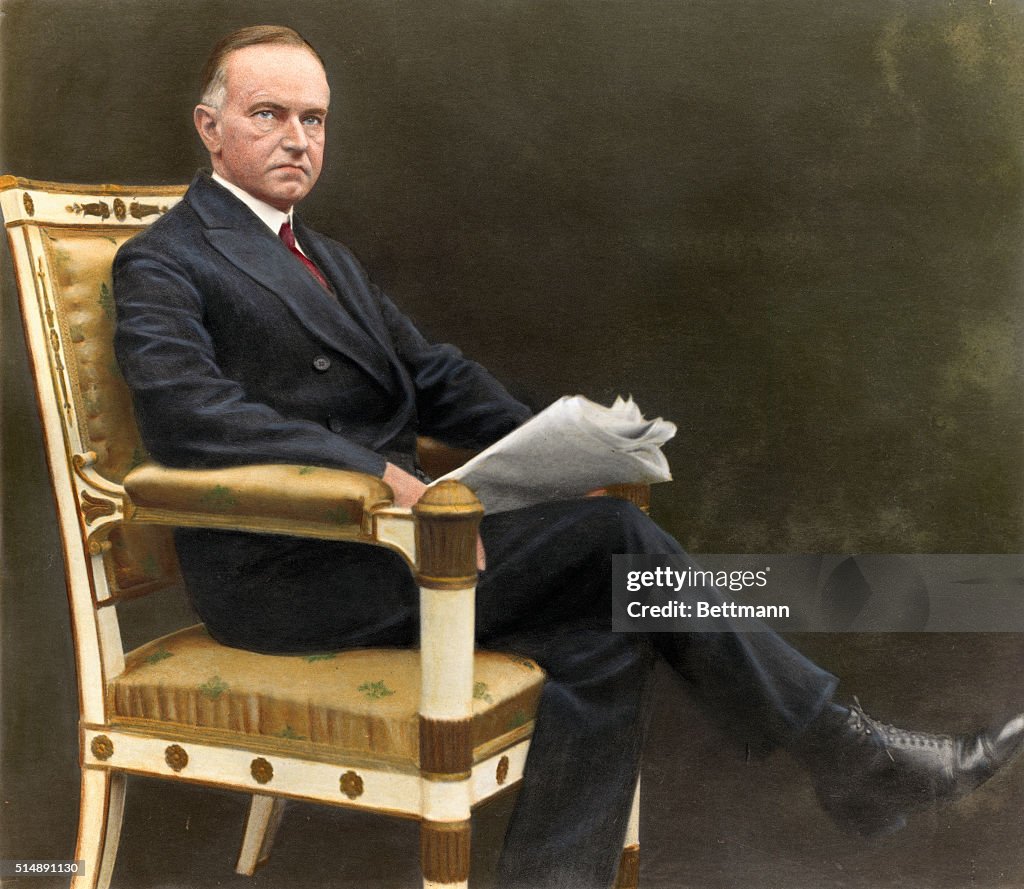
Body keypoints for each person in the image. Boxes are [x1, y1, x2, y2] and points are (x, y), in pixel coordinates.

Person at [112, 25, 1024, 889]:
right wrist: (366, 470)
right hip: (293, 567)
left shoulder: (326, 257)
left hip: (397, 542)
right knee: (613, 539)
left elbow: (432, 375)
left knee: (605, 625)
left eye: (314, 119)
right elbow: (190, 411)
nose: (298, 139)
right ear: (211, 128)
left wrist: (552, 449)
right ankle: (853, 754)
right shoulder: (166, 261)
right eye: (270, 115)